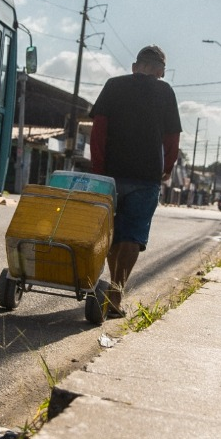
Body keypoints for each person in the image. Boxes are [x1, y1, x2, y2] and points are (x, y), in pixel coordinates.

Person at [88, 45, 182, 319]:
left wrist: (98, 168)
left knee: (113, 232)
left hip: (111, 174)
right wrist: (166, 168)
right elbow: (172, 138)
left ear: (134, 66)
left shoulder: (114, 85)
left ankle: (110, 291)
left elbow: (99, 131)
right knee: (133, 235)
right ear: (161, 71)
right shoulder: (165, 92)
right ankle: (115, 295)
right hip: (146, 176)